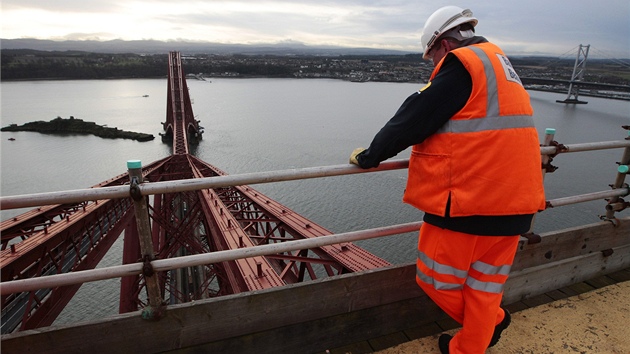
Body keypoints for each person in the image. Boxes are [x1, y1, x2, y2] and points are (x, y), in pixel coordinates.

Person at [349, 5, 546, 354]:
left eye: (432, 55)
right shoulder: (500, 64)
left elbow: (414, 116)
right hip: (515, 200)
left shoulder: (462, 65)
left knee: (434, 279)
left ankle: (492, 321)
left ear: (444, 43)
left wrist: (370, 156)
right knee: (485, 286)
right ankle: (467, 347)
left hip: (469, 201)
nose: (432, 65)